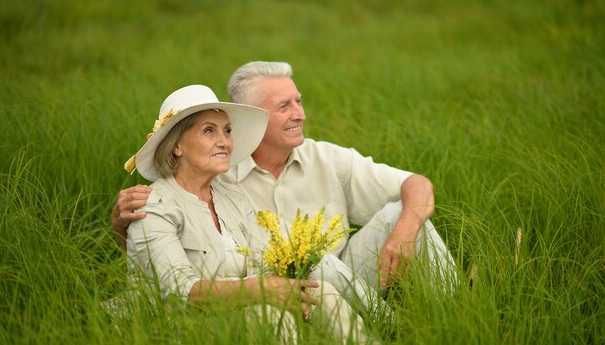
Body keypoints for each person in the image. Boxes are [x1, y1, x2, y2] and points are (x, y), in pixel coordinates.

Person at [113, 62, 457, 300]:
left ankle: (452, 310)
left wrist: (404, 233)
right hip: (268, 290)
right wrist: (121, 226)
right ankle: (384, 326)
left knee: (405, 215)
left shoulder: (327, 157)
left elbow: (418, 185)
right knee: (311, 260)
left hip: (348, 276)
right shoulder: (218, 173)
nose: (300, 114)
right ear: (257, 119)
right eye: (284, 106)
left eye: (299, 101)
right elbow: (169, 235)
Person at [122, 83, 383, 345]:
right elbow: (183, 293)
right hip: (187, 327)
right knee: (267, 313)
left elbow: (262, 260)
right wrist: (262, 290)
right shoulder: (153, 206)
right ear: (178, 145)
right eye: (209, 130)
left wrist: (279, 289)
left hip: (242, 309)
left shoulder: (231, 195)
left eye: (227, 131)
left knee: (322, 291)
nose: (223, 141)